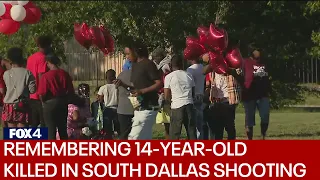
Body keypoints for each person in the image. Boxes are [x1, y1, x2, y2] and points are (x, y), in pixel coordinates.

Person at [115, 39, 162, 140]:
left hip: (149, 107)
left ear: (136, 52)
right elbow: (136, 89)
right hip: (139, 108)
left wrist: (142, 91)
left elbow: (159, 83)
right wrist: (123, 84)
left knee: (133, 138)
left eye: (128, 54)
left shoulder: (148, 64)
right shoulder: (135, 66)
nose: (127, 57)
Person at [38, 54, 75, 140]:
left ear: (48, 63)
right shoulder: (65, 74)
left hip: (49, 103)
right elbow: (70, 91)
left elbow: (42, 93)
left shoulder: (46, 76)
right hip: (62, 102)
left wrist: (43, 102)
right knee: (63, 129)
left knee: (50, 130)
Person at [164, 55, 197, 140]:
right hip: (189, 105)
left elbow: (166, 95)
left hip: (177, 106)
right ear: (182, 64)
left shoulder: (169, 77)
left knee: (174, 134)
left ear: (171, 65)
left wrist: (167, 105)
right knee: (191, 132)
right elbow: (193, 92)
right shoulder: (189, 75)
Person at [242, 44, 271, 140]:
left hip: (263, 93)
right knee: (249, 118)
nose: (258, 52)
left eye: (259, 50)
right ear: (251, 51)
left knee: (265, 115)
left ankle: (263, 135)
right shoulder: (245, 62)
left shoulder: (264, 62)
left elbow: (269, 77)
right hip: (249, 94)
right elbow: (240, 75)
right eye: (256, 50)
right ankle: (249, 138)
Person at [2, 47, 36, 128]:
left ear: (10, 59)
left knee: (12, 132)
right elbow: (33, 90)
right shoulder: (27, 73)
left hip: (9, 105)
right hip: (22, 104)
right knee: (22, 133)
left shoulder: (6, 74)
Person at [26, 35, 52, 127]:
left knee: (33, 124)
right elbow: (41, 76)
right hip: (40, 96)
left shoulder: (30, 58)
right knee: (44, 123)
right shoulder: (43, 58)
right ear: (48, 45)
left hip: (30, 95)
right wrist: (43, 94)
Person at [152, 47, 171, 139]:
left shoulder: (165, 66)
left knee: (168, 122)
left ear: (160, 57)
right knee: (166, 121)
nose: (154, 60)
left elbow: (165, 81)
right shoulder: (161, 66)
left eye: (155, 57)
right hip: (162, 94)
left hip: (166, 95)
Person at [186, 57, 205, 139]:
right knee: (200, 122)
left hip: (193, 96)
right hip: (201, 95)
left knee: (193, 123)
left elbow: (189, 85)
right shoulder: (202, 67)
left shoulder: (190, 69)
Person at [98, 69, 119, 136]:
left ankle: (109, 136)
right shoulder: (117, 87)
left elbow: (100, 99)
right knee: (117, 124)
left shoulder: (103, 87)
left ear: (106, 77)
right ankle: (118, 134)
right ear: (115, 77)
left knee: (107, 126)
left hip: (107, 109)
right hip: (117, 108)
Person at [116, 68, 134, 140]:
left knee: (124, 134)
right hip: (136, 109)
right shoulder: (139, 75)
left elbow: (117, 92)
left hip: (122, 109)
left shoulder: (121, 74)